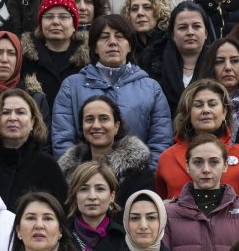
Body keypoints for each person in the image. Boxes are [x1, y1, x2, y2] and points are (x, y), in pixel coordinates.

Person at [52, 14, 174, 169]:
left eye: (120, 36)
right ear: (94, 47)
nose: (112, 42)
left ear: (130, 46)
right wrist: (82, 178)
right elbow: (62, 139)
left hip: (136, 180)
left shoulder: (151, 88)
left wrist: (144, 177)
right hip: (85, 183)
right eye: (104, 37)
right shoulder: (72, 85)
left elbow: (161, 141)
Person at [155, 79, 239, 204]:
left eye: (212, 104)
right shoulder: (167, 158)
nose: (206, 110)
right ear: (188, 113)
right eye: (198, 105)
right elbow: (160, 216)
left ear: (224, 112)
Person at [0, 88, 68, 210]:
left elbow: (62, 213)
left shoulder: (47, 166)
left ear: (33, 122)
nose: (12, 118)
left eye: (20, 112)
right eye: (5, 112)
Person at [57, 95, 155, 206]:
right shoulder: (66, 172)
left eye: (104, 119)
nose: (96, 125)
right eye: (89, 119)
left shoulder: (137, 171)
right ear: (82, 126)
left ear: (116, 126)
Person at [19, 0, 91, 101]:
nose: (56, 22)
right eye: (49, 17)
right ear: (41, 24)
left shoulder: (88, 61)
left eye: (63, 17)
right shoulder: (25, 58)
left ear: (74, 26)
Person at [66, 161, 128, 251]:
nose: (92, 196)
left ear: (111, 197)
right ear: (75, 196)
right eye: (84, 189)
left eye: (100, 189)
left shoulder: (124, 239)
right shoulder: (60, 236)